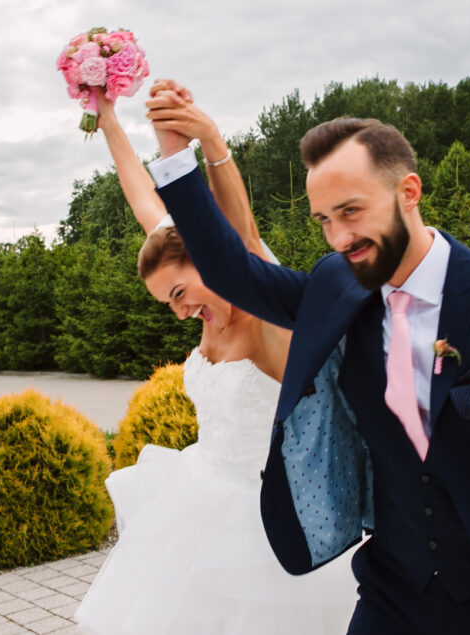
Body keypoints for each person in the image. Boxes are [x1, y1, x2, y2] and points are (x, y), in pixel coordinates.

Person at [146, 88, 470, 634]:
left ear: (408, 191)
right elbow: (232, 272)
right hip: (393, 593)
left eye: (351, 212)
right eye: (323, 220)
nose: (339, 238)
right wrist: (177, 159)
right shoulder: (336, 288)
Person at [74, 85, 357, 634]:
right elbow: (143, 201)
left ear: (208, 258)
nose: (180, 313)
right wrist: (108, 117)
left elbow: (244, 234)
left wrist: (210, 144)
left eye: (179, 294)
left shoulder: (267, 315)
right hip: (200, 494)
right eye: (168, 304)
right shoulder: (201, 306)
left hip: (265, 520)